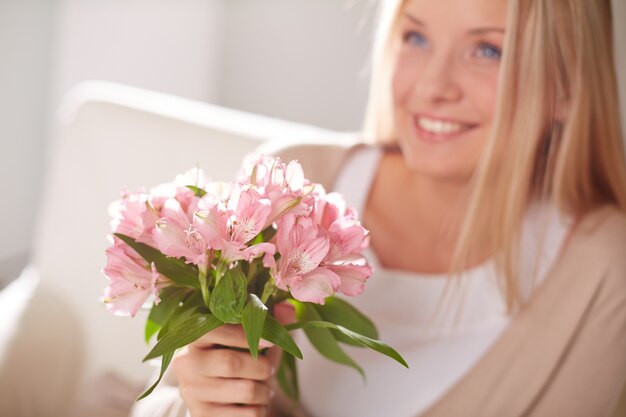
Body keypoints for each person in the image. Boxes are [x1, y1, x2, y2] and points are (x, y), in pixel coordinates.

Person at [130, 0, 626, 416]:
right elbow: (154, 403)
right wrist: (198, 404)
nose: (432, 86)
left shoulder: (604, 269)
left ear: (566, 84)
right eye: (416, 38)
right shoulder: (286, 186)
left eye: (487, 50)